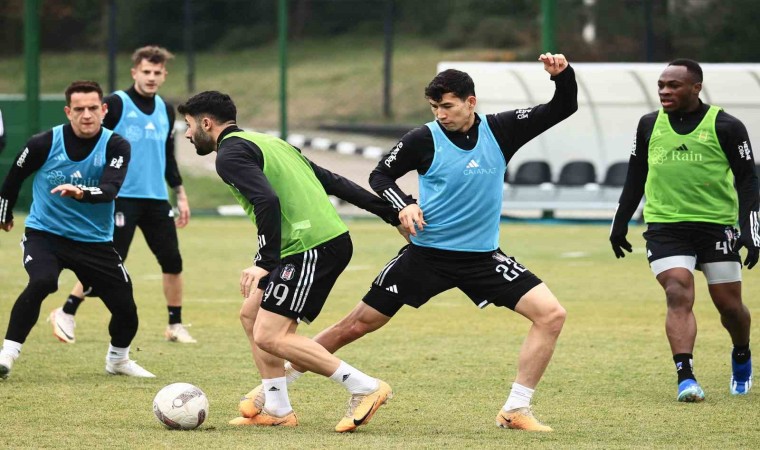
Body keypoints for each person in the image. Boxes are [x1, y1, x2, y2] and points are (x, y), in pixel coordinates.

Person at [242, 53, 577, 432]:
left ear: (471, 102)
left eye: (447, 106)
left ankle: (515, 409)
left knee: (551, 315)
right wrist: (404, 204)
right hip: (427, 256)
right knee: (354, 325)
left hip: (483, 258)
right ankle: (272, 391)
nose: (440, 115)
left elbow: (562, 107)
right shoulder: (423, 138)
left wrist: (562, 76)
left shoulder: (501, 130)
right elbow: (380, 175)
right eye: (435, 107)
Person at [178, 90, 403, 431]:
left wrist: (264, 261)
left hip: (311, 247)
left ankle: (365, 387)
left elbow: (266, 201)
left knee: (270, 335)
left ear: (206, 123)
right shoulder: (271, 143)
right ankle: (278, 409)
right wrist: (391, 213)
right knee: (251, 314)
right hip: (310, 246)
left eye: (189, 125)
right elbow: (333, 181)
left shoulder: (229, 155)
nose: (187, 133)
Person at [610, 58, 757, 402]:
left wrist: (751, 230)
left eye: (673, 85)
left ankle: (741, 352)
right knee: (677, 290)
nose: (664, 91)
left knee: (729, 306)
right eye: (661, 85)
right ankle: (686, 377)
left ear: (696, 88)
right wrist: (620, 222)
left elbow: (748, 180)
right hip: (666, 225)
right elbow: (636, 174)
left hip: (716, 226)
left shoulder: (727, 126)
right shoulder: (648, 124)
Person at [0, 80, 154, 379]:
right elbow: (13, 177)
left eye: (93, 108)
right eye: (79, 109)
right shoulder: (43, 143)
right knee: (43, 281)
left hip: (94, 241)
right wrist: (4, 213)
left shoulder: (116, 145)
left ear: (104, 110)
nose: (87, 115)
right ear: (68, 111)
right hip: (46, 234)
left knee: (126, 307)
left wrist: (81, 192)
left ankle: (118, 360)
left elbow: (110, 189)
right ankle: (7, 354)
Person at [49, 46, 196, 344]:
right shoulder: (116, 104)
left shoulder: (166, 110)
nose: (151, 77)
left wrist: (180, 193)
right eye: (146, 71)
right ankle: (65, 311)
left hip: (156, 198)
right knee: (110, 261)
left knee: (172, 260)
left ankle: (175, 324)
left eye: (157, 72)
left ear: (164, 75)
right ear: (134, 73)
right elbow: (91, 138)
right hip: (120, 196)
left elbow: (168, 155)